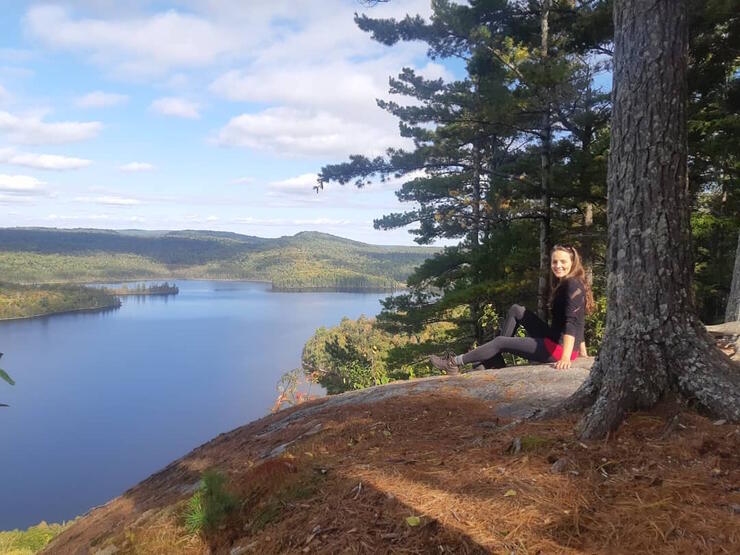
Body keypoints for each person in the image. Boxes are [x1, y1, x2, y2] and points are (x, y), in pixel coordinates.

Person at [430, 245, 595, 375]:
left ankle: (453, 363)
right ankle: (494, 358)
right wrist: (582, 353)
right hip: (556, 340)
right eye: (554, 262)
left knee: (500, 342)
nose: (558, 266)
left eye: (563, 262)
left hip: (558, 349)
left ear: (573, 263)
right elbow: (579, 318)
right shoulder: (571, 282)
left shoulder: (572, 285)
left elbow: (572, 322)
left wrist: (567, 356)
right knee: (517, 310)